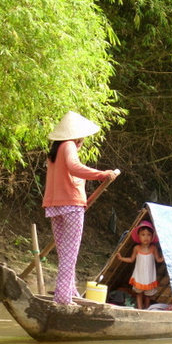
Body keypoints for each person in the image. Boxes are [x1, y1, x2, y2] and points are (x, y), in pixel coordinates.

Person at [43, 111, 118, 305]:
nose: (83, 140)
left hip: (55, 206)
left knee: (65, 254)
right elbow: (74, 167)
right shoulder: (68, 145)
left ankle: (71, 292)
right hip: (71, 205)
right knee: (70, 254)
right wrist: (102, 174)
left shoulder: (56, 149)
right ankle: (63, 298)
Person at [116, 220, 164, 309]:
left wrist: (165, 257)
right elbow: (131, 259)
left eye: (149, 235)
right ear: (139, 236)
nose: (146, 237)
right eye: (143, 235)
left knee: (148, 295)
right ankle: (140, 308)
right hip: (139, 275)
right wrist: (121, 258)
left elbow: (158, 259)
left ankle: (146, 308)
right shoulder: (137, 248)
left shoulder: (153, 248)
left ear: (152, 236)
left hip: (149, 276)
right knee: (139, 293)